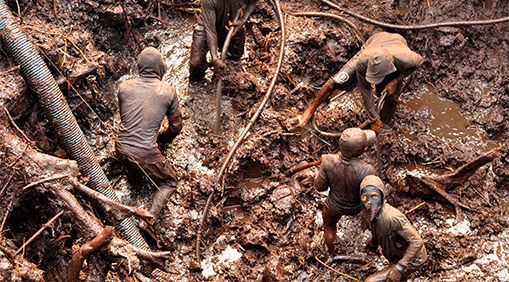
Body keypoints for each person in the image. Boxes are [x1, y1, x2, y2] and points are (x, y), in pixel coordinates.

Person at [294, 32, 423, 132]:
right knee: (336, 81)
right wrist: (373, 118)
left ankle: (384, 124)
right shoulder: (363, 61)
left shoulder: (407, 59)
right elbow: (365, 89)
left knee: (391, 98)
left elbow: (417, 64)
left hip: (396, 44)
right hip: (374, 43)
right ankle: (309, 111)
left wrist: (395, 81)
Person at [115, 47, 183, 230]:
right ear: (160, 67)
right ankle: (148, 220)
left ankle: (134, 181)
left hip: (121, 148)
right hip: (145, 153)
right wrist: (162, 138)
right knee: (170, 182)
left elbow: (126, 120)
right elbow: (177, 127)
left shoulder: (124, 87)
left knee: (135, 177)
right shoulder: (168, 91)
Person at [314, 128, 377, 254]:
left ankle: (332, 254)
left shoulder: (328, 161)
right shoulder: (367, 170)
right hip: (356, 208)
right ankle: (368, 249)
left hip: (333, 207)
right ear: (360, 151)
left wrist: (321, 170)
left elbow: (320, 187)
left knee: (329, 227)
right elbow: (370, 198)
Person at [360, 175, 428, 282]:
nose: (369, 202)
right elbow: (377, 231)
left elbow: (417, 241)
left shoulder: (392, 218)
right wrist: (372, 244)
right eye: (365, 197)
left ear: (382, 197)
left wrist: (399, 268)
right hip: (397, 256)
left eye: (374, 196)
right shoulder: (367, 215)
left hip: (414, 259)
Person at [189, 0, 257, 81]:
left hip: (232, 24)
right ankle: (200, 76)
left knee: (235, 57)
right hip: (206, 25)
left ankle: (220, 75)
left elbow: (253, 2)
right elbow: (210, 31)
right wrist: (214, 57)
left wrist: (243, 19)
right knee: (196, 63)